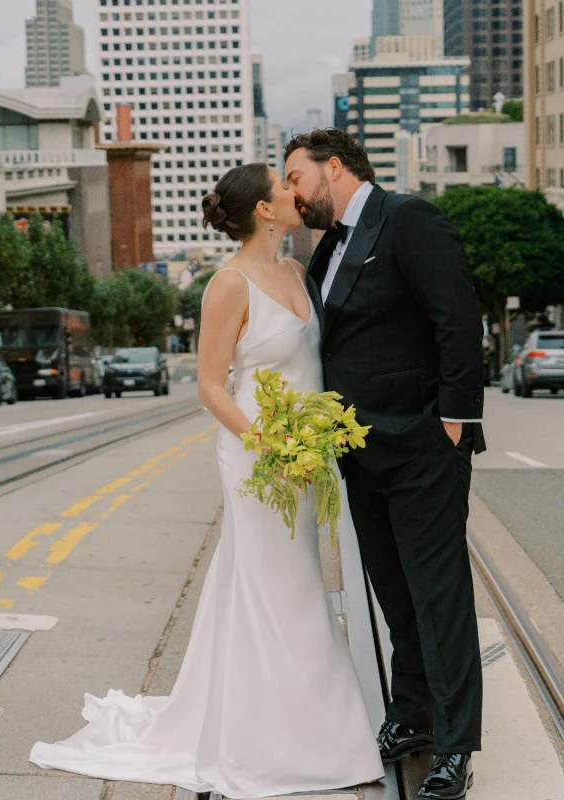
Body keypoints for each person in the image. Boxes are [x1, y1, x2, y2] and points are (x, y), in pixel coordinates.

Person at [29, 163, 385, 797]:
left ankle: (300, 727)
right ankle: (283, 743)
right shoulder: (228, 283)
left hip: (305, 455)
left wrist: (314, 438)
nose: (293, 191)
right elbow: (209, 386)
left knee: (291, 579)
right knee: (279, 588)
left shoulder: (297, 272)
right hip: (258, 457)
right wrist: (269, 443)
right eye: (283, 186)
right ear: (264, 211)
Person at [285, 129, 485, 800]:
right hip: (361, 452)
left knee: (440, 599)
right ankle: (412, 716)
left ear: (333, 167)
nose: (291, 191)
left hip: (423, 446)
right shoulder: (326, 248)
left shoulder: (408, 218)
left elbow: (457, 317)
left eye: (296, 176)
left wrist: (454, 420)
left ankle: (456, 748)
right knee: (396, 598)